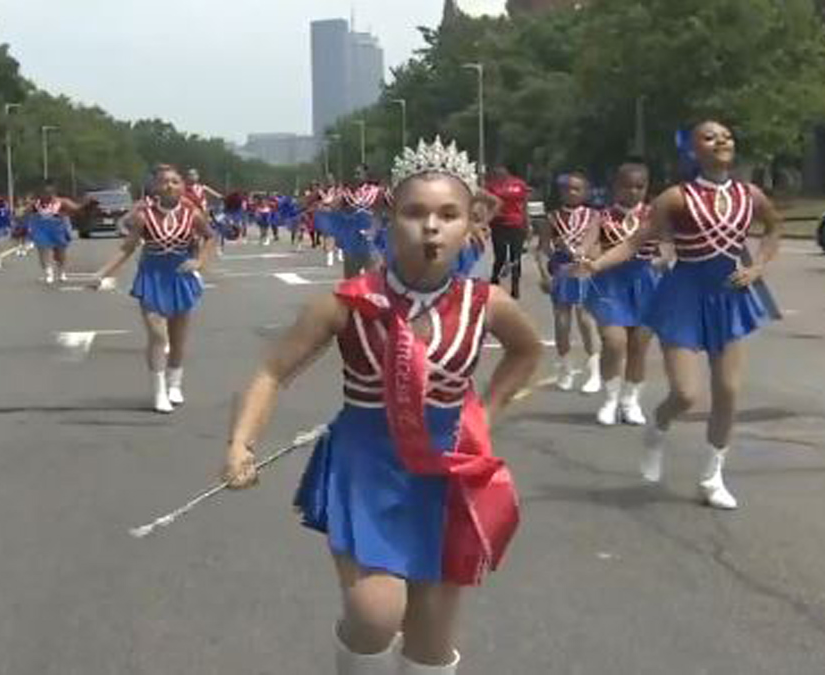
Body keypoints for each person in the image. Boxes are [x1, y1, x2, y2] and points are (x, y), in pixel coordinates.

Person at [223, 138, 541, 675]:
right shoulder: (346, 302)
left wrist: (485, 412)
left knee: (430, 641)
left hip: (447, 470)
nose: (432, 227)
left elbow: (528, 351)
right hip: (367, 465)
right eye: (416, 213)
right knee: (375, 611)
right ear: (388, 217)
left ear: (474, 223)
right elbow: (273, 371)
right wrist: (240, 442)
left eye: (449, 214)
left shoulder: (488, 305)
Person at [577, 120, 782, 510]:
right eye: (709, 136)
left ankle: (711, 476)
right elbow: (636, 242)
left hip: (729, 295)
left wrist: (757, 268)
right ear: (692, 150)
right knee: (686, 394)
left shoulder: (749, 194)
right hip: (684, 296)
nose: (721, 140)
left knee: (728, 392)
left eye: (726, 135)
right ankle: (658, 425)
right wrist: (596, 264)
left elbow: (774, 229)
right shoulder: (675, 197)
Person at [90, 164, 214, 413]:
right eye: (164, 181)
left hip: (180, 276)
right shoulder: (143, 216)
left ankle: (175, 384)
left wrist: (199, 261)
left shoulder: (194, 214)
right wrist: (102, 273)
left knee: (178, 338)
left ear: (182, 186)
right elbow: (127, 248)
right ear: (155, 187)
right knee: (158, 336)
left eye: (175, 181)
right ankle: (159, 392)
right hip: (152, 276)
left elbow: (211, 237)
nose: (170, 185)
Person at [583, 164, 666, 425]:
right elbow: (589, 244)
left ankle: (630, 401)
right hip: (610, 283)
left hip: (647, 282)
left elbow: (670, 244)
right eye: (627, 186)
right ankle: (610, 399)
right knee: (614, 342)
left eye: (639, 187)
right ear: (615, 187)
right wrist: (586, 257)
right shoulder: (602, 217)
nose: (633, 191)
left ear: (647, 187)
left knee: (638, 346)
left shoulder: (655, 216)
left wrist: (664, 258)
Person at [535, 172, 601, 393]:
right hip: (561, 271)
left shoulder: (594, 216)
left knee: (586, 319)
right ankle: (565, 367)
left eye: (576, 189)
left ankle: (594, 370)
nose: (571, 193)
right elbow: (543, 249)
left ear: (586, 192)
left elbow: (600, 244)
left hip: (585, 270)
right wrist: (544, 274)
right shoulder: (552, 218)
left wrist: (592, 259)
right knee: (562, 322)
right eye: (566, 189)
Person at [484, 164, 530, 298]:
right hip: (498, 224)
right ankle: (494, 280)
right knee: (500, 256)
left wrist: (528, 224)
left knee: (516, 257)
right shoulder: (491, 186)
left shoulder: (519, 184)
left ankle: (515, 287)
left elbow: (524, 204)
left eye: (502, 172)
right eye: (497, 173)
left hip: (517, 224)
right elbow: (487, 206)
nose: (500, 174)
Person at [26, 181, 81, 284]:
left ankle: (61, 271)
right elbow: (27, 213)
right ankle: (49, 272)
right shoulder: (36, 204)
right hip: (42, 230)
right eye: (44, 193)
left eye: (49, 193)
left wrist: (84, 206)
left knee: (60, 253)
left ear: (53, 192)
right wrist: (29, 226)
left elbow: (76, 208)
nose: (47, 195)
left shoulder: (62, 202)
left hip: (58, 229)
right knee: (43, 250)